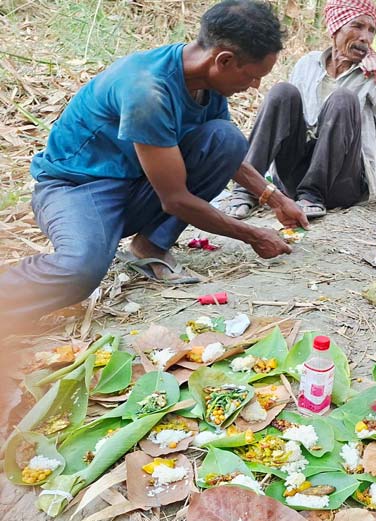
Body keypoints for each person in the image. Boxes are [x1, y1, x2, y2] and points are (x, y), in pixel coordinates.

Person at [0, 0, 307, 337]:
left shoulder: (206, 82)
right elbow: (174, 200)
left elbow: (226, 154)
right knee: (80, 270)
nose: (254, 86)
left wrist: (275, 198)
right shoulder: (147, 89)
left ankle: (149, 248)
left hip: (134, 183)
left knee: (226, 138)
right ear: (223, 60)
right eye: (251, 76)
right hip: (76, 187)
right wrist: (252, 235)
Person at [224, 0, 376, 220]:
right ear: (336, 27)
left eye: (371, 30)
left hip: (342, 181)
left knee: (344, 98)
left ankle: (312, 195)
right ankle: (246, 189)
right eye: (357, 26)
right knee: (282, 92)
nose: (366, 37)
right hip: (295, 175)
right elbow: (283, 122)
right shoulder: (306, 64)